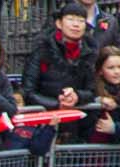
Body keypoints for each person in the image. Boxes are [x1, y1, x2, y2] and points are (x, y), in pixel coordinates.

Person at [24, 2, 96, 156]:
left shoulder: (89, 53)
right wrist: (57, 105)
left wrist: (77, 96)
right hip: (44, 124)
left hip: (75, 128)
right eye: (71, 19)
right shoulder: (42, 50)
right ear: (59, 23)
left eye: (81, 20)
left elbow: (92, 90)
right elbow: (28, 91)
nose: (76, 25)